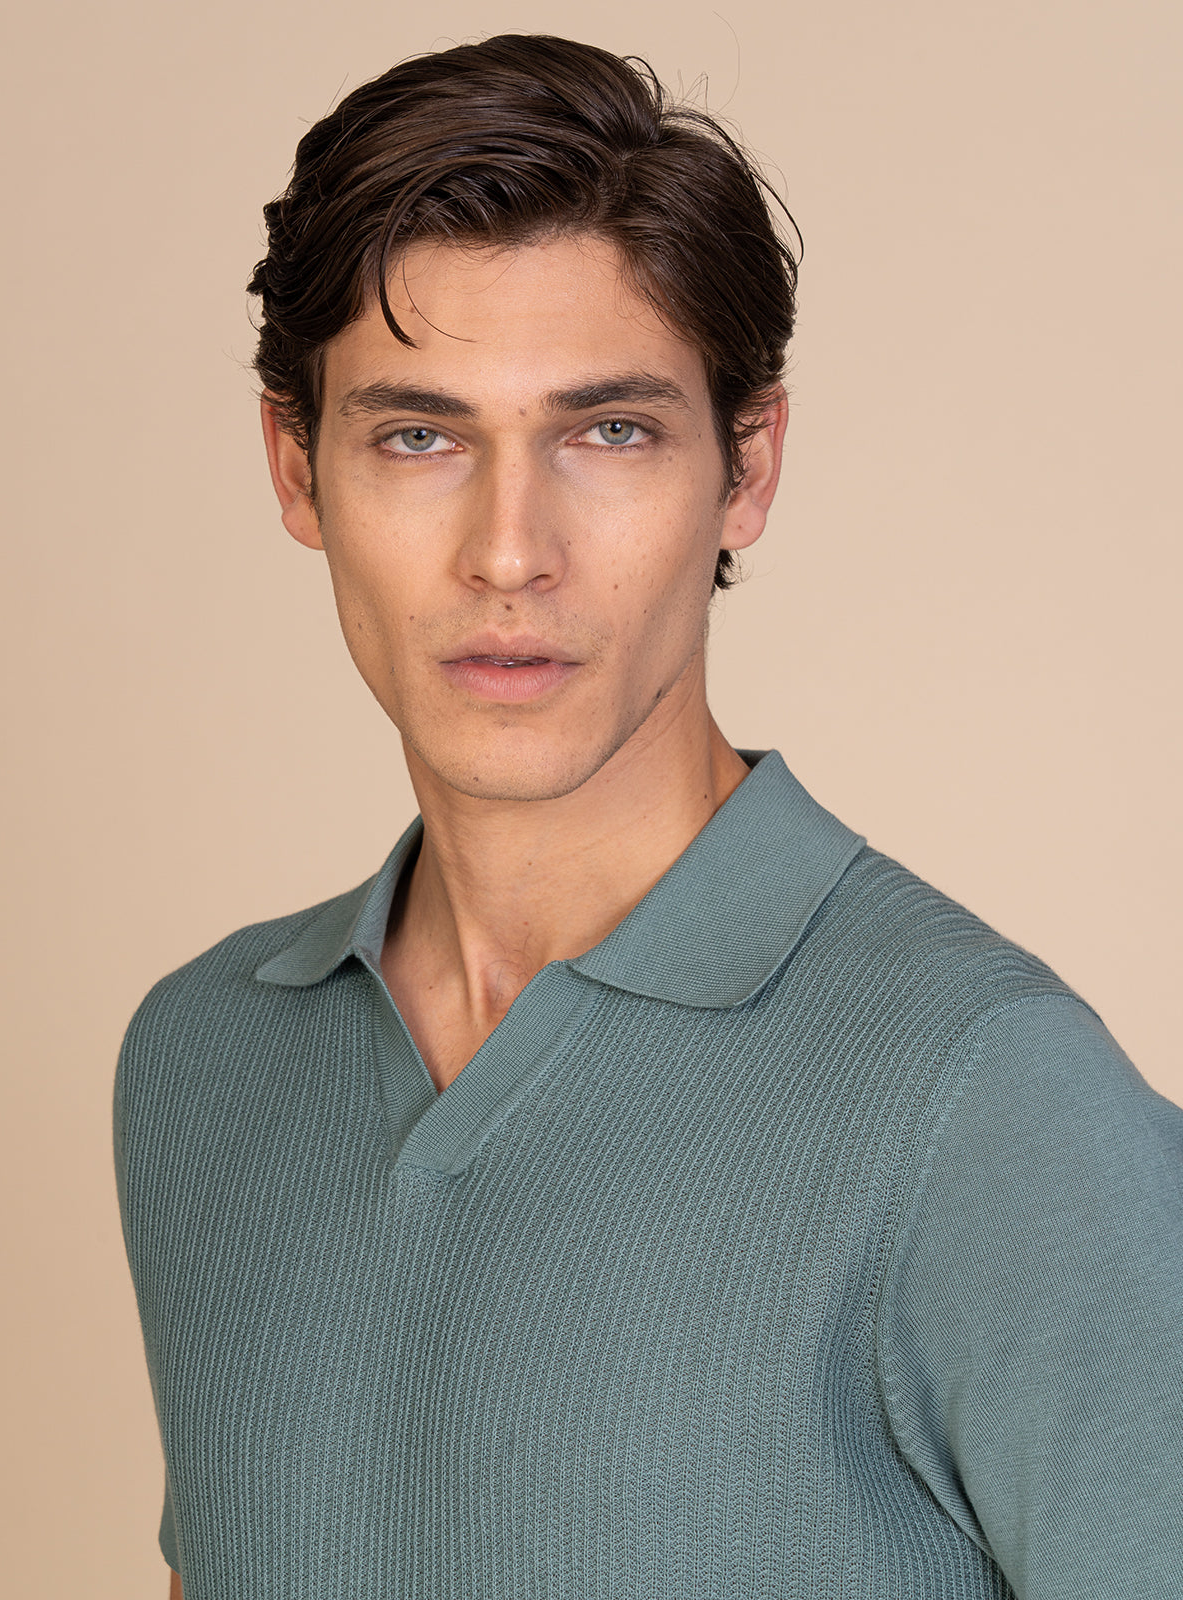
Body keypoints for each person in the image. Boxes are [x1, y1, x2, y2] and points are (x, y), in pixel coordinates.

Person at [114, 33, 1182, 1600]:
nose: (509, 551)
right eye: (419, 435)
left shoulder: (993, 1100)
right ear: (297, 468)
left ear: (746, 467)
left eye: (608, 431)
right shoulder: (202, 1064)